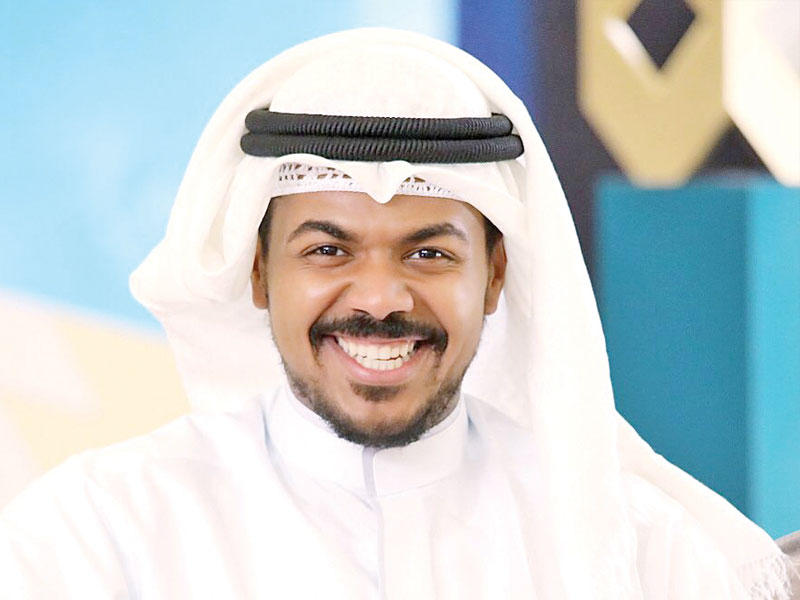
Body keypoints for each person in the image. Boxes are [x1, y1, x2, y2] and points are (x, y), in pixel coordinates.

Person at [0, 28, 792, 599]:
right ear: (259, 273)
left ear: (495, 277)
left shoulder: (641, 551)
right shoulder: (96, 535)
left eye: (429, 253)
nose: (379, 299)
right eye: (328, 250)